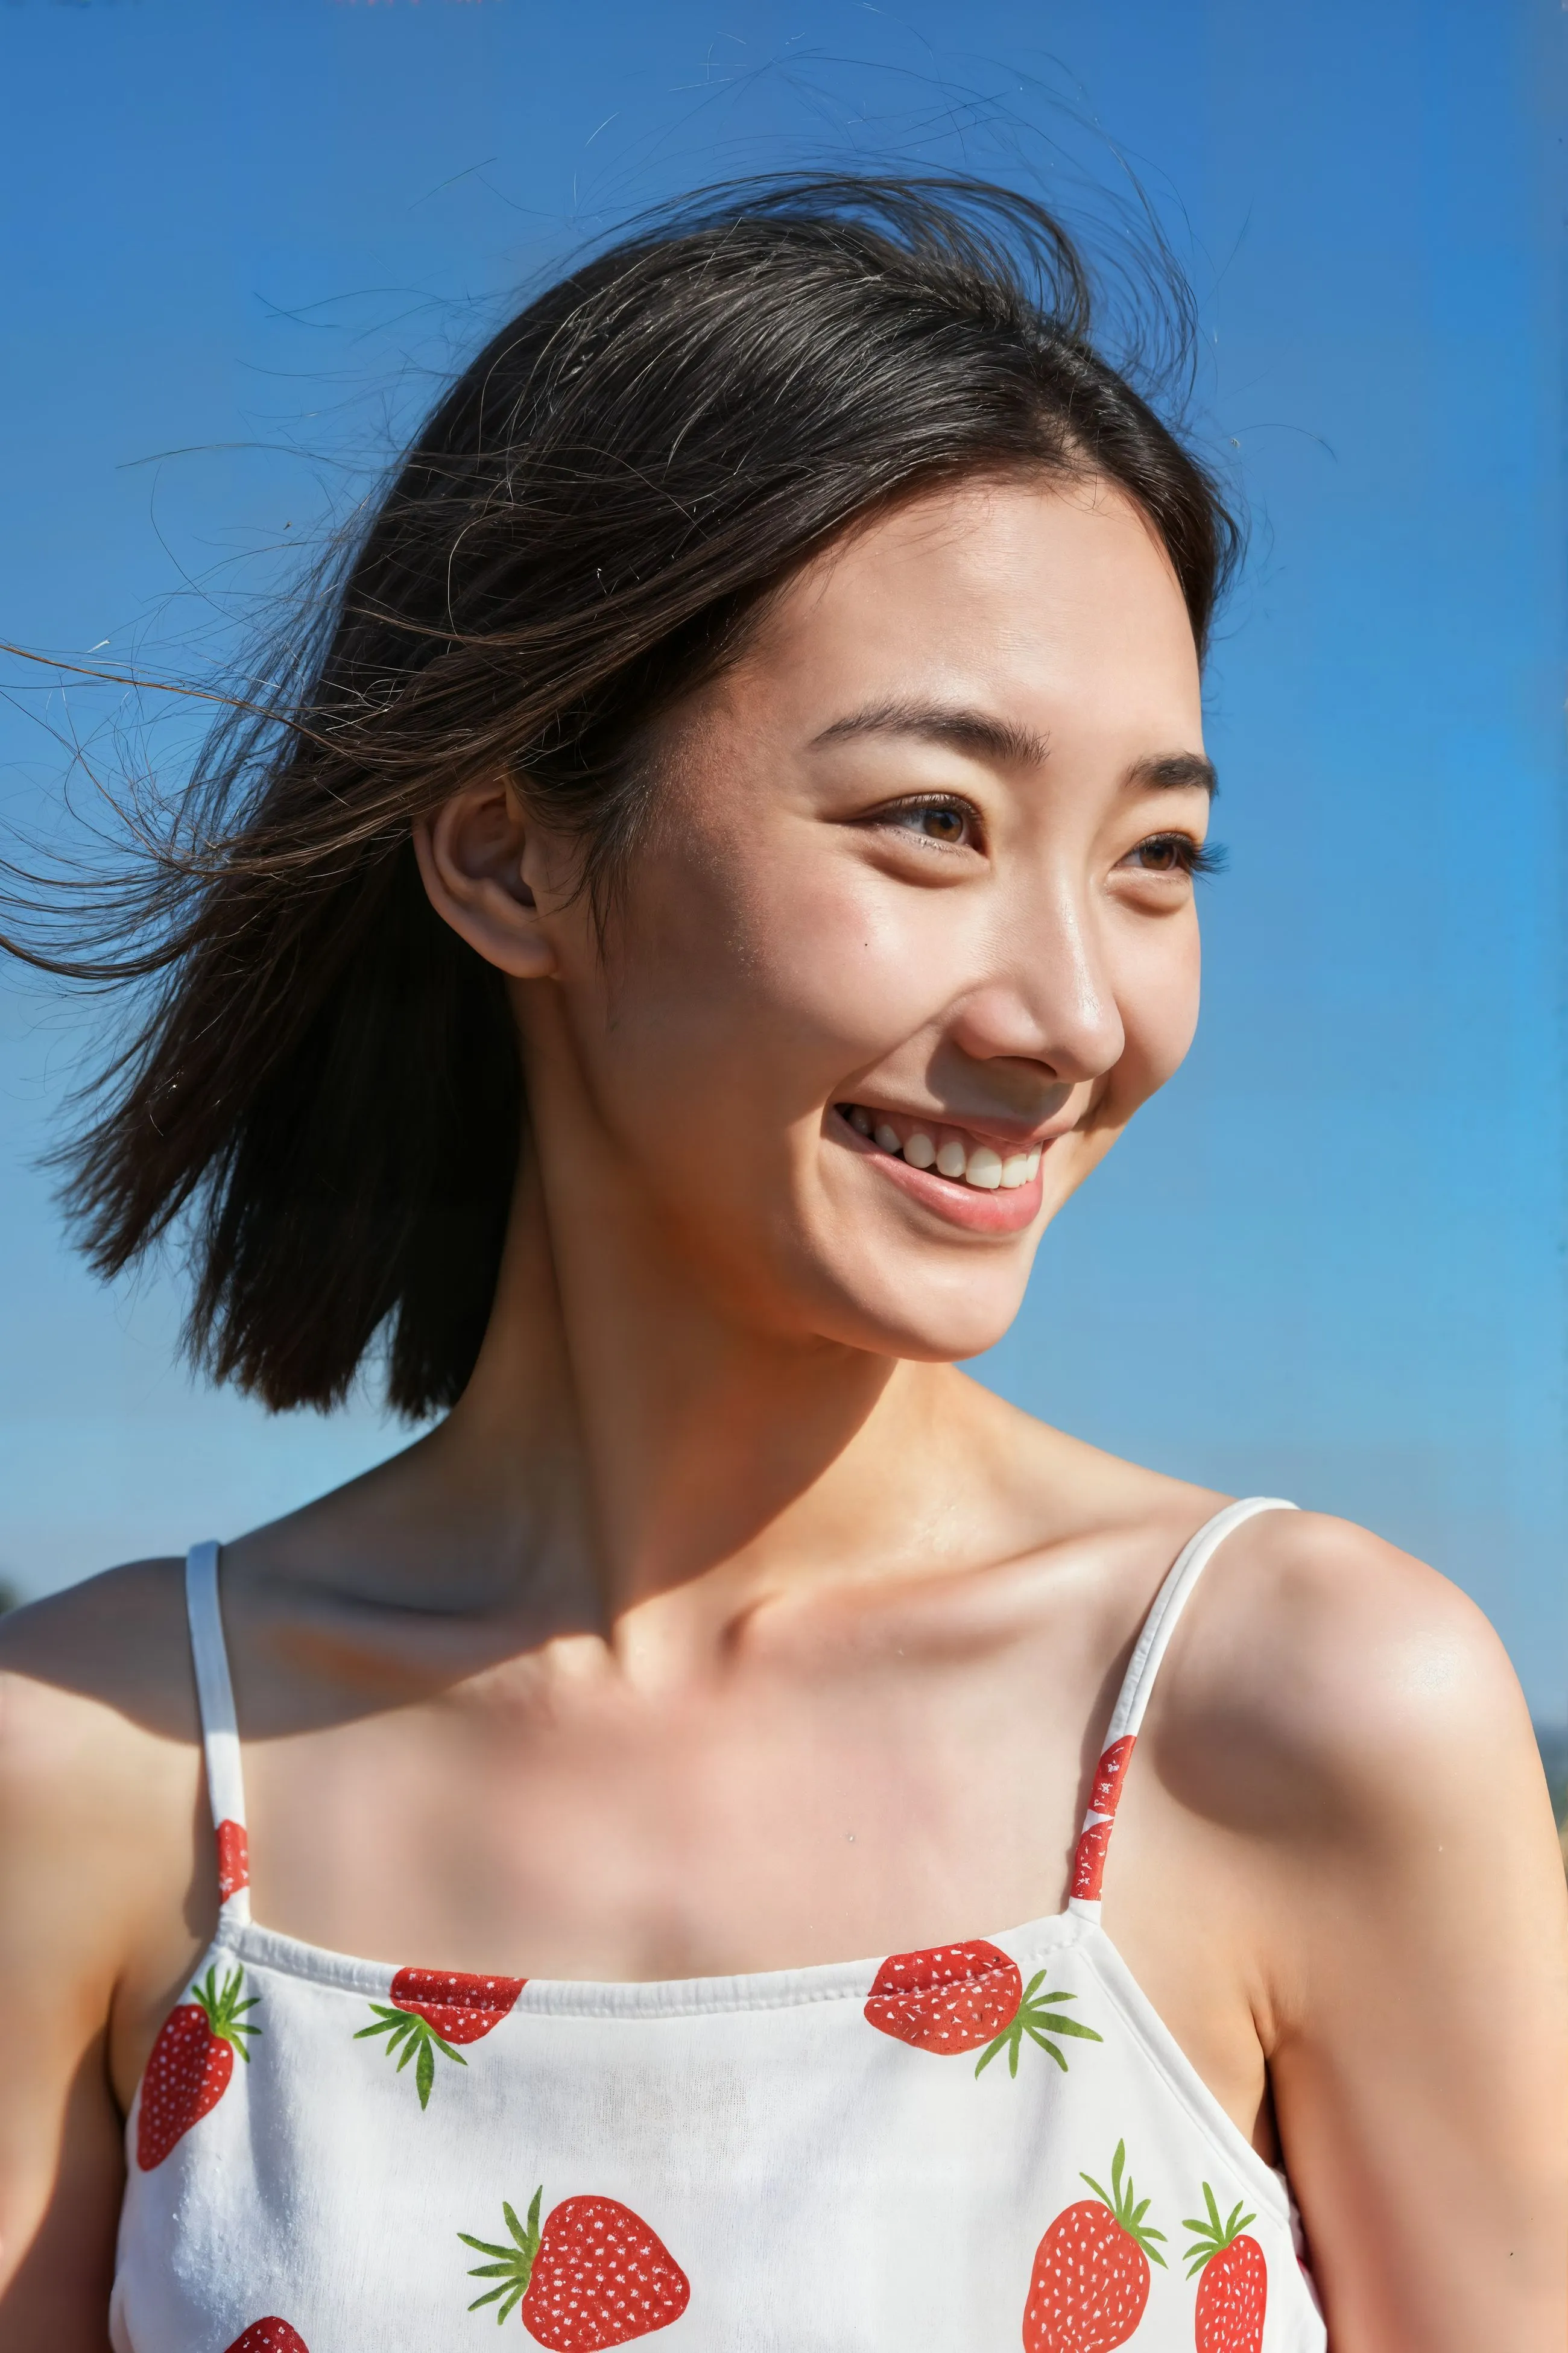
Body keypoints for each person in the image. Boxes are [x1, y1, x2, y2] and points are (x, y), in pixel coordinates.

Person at [0, 177, 1561, 2353]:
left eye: (1157, 858)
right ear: (508, 851)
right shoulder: (97, 1774)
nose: (1075, 1014)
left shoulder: (1297, 1716)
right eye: (933, 817)